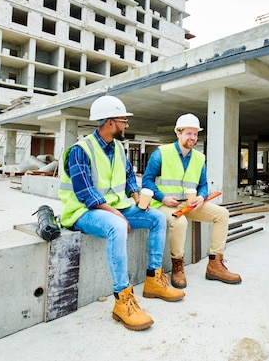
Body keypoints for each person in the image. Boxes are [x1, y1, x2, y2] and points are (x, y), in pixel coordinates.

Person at [59, 95, 184, 331]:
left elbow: (128, 177)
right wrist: (117, 215)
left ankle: (153, 280)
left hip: (115, 206)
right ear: (109, 122)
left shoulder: (117, 147)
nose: (126, 125)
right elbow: (85, 194)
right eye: (122, 121)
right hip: (82, 212)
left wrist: (137, 199)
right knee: (117, 227)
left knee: (156, 217)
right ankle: (122, 300)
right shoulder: (80, 150)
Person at [142, 113, 241, 289]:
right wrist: (163, 197)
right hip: (164, 204)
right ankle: (178, 266)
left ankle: (215, 265)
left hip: (189, 204)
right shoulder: (161, 153)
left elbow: (203, 185)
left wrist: (201, 197)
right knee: (180, 223)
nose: (192, 138)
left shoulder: (199, 158)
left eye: (195, 134)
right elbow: (147, 181)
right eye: (188, 133)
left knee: (222, 214)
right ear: (178, 133)